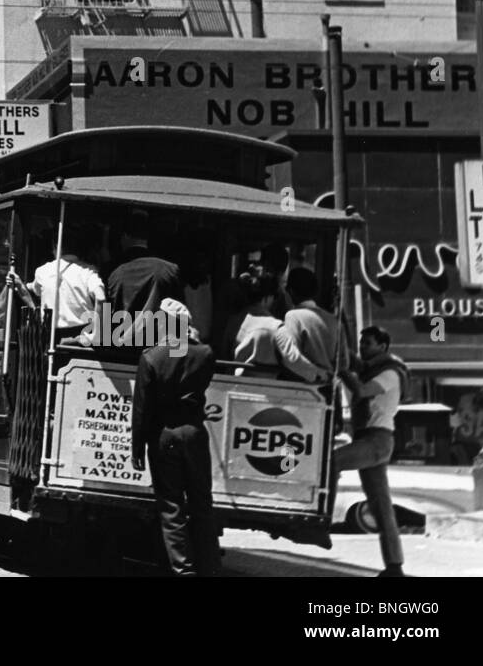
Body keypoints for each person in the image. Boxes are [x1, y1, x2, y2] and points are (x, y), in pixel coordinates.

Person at [131, 297, 221, 577]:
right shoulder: (205, 354)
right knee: (202, 504)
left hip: (164, 435)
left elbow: (142, 408)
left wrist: (137, 447)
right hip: (194, 433)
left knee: (171, 508)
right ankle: (210, 567)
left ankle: (184, 570)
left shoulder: (151, 356)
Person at [333, 327, 408, 577]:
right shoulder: (369, 369)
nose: (363, 347)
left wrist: (343, 370)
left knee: (330, 463)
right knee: (381, 507)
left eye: (368, 343)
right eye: (362, 343)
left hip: (377, 440)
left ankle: (321, 520)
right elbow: (352, 359)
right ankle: (394, 566)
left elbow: (361, 391)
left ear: (383, 347)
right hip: (370, 438)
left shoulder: (389, 373)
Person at [7, 223, 105, 344]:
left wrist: (19, 284)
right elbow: (100, 297)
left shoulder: (43, 272)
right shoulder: (88, 272)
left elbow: (34, 289)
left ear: (55, 246)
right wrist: (96, 335)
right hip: (82, 339)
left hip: (52, 338)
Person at [225, 267, 327, 383]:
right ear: (268, 298)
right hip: (262, 389)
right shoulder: (275, 327)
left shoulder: (235, 320)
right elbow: (294, 360)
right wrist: (320, 374)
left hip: (233, 383)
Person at [107, 212, 181, 330]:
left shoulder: (112, 270)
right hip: (156, 343)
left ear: (124, 236)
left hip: (120, 341)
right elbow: (178, 311)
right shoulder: (169, 269)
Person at [282, 268, 339, 381]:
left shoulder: (293, 316)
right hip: (327, 386)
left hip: (301, 386)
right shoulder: (332, 319)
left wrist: (316, 373)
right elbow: (343, 362)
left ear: (291, 291)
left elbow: (291, 357)